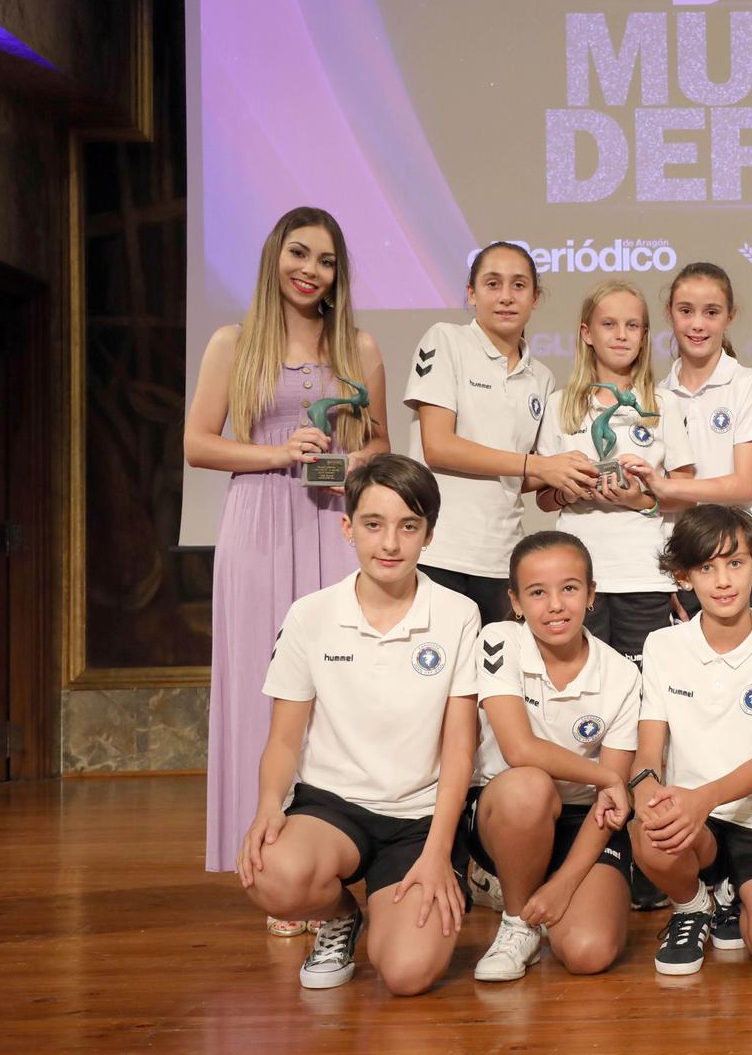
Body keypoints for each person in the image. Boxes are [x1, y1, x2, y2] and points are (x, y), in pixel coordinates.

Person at [185, 206, 389, 936]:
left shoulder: (359, 348)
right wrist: (280, 453)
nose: (311, 270)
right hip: (260, 526)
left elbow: (380, 450)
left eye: (326, 260)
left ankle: (326, 855)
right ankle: (271, 857)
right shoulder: (233, 343)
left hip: (330, 523)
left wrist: (341, 460)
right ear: (275, 257)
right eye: (299, 254)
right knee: (263, 689)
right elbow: (199, 445)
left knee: (337, 687)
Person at [236, 454, 480, 995]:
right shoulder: (310, 614)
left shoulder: (458, 613)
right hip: (332, 808)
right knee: (270, 872)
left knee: (407, 973)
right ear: (349, 529)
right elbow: (282, 739)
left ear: (429, 535)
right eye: (373, 525)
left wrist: (439, 851)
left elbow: (461, 748)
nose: (389, 543)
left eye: (408, 527)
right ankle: (340, 915)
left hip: (418, 818)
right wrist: (267, 808)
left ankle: (389, 911)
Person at [630, 505, 752, 978]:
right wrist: (647, 791)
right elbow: (649, 753)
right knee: (648, 833)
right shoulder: (662, 646)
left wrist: (702, 797)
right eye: (706, 567)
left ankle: (737, 893)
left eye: (735, 563)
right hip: (694, 824)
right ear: (684, 577)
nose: (723, 580)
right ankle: (693, 905)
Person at [463, 531, 639, 980]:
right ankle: (517, 920)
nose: (555, 605)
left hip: (585, 822)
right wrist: (607, 777)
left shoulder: (621, 673)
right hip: (510, 811)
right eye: (537, 593)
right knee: (529, 783)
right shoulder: (498, 639)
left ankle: (550, 884)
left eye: (569, 588)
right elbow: (518, 748)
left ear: (591, 594)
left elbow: (609, 804)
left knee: (587, 953)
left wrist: (564, 886)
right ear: (516, 602)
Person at [404, 241, 598, 626]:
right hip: (438, 550)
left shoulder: (540, 376)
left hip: (501, 558)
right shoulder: (445, 340)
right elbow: (438, 446)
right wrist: (539, 464)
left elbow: (524, 475)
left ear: (536, 297)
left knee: (495, 681)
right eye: (493, 284)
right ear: (471, 293)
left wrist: (571, 477)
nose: (506, 297)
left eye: (519, 285)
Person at [535, 280, 692, 663]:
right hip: (576, 576)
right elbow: (543, 498)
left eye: (632, 325)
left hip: (642, 573)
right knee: (584, 688)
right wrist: (569, 491)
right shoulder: (559, 405)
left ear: (644, 336)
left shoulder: (662, 404)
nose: (621, 335)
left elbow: (687, 491)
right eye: (609, 324)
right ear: (586, 333)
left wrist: (637, 498)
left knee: (642, 695)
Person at [622, 262, 752, 625]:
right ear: (670, 314)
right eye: (686, 311)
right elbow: (658, 506)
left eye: (711, 312)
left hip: (751, 570)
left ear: (730, 317)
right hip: (689, 568)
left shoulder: (747, 385)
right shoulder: (656, 396)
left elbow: (743, 486)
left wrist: (667, 486)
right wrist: (666, 575)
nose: (698, 324)